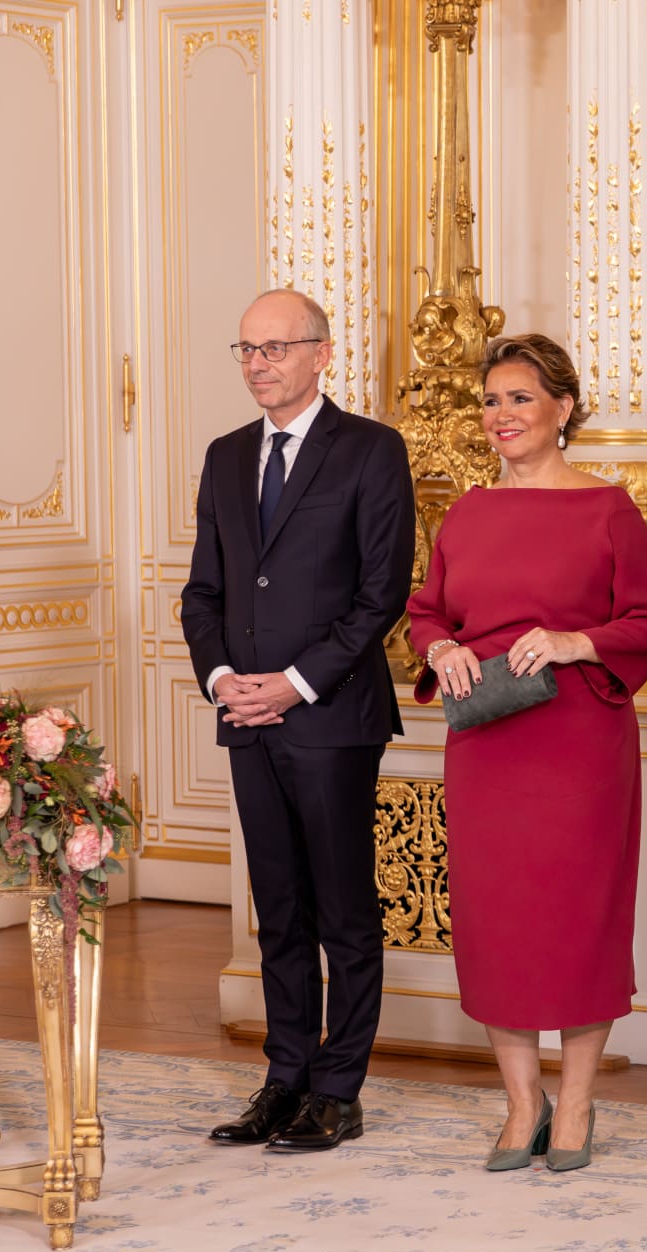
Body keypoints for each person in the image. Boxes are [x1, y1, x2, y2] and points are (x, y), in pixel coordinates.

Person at [405, 334, 647, 1172]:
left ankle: (581, 1103)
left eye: (520, 398)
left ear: (563, 408)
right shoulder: (468, 512)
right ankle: (523, 1102)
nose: (501, 416)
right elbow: (425, 611)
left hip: (578, 750)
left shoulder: (609, 510)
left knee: (577, 921)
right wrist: (440, 648)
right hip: (488, 748)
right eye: (491, 400)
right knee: (499, 923)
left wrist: (573, 642)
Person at [181, 288, 415, 1152]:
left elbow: (378, 593)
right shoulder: (225, 454)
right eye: (245, 349)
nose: (258, 364)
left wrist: (294, 683)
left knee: (344, 909)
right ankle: (284, 1079)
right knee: (277, 907)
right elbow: (203, 593)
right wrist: (224, 680)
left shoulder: (370, 451)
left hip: (331, 717)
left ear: (322, 353)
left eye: (276, 348)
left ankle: (338, 1088)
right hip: (245, 715)